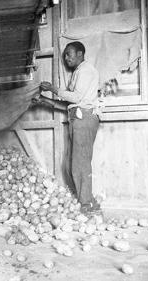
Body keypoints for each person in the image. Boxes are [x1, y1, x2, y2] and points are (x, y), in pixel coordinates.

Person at [40, 41, 101, 213]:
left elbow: (76, 98)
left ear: (80, 53)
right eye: (65, 55)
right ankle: (87, 200)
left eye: (69, 54)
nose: (66, 58)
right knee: (72, 163)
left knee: (80, 163)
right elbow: (69, 104)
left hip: (85, 118)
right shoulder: (78, 72)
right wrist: (45, 100)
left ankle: (87, 204)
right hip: (77, 117)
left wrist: (53, 88)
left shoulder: (86, 70)